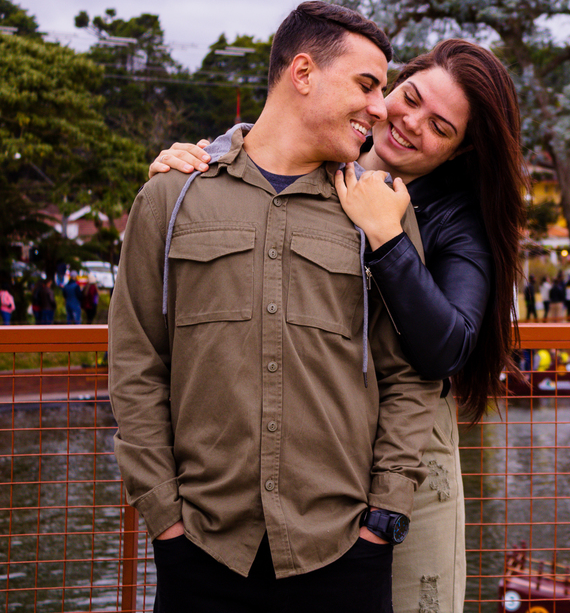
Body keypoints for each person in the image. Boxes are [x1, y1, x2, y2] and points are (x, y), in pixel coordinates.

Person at [149, 35, 527, 613]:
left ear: (458, 154)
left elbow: (448, 349)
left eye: (441, 128)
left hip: (406, 460)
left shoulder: (454, 218)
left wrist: (389, 239)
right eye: (411, 96)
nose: (410, 122)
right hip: (298, 463)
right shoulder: (322, 158)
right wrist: (194, 166)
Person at [112, 1, 443, 612]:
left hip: (344, 551)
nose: (381, 107)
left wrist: (384, 517)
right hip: (201, 551)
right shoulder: (171, 196)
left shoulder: (381, 212)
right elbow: (137, 366)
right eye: (367, 85)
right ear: (303, 72)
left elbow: (410, 375)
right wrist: (164, 518)